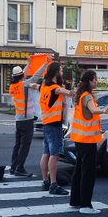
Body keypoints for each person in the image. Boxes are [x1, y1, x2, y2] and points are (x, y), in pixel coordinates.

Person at [68, 70, 108, 214]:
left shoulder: (81, 95)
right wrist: (104, 111)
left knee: (79, 170)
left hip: (80, 139)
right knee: (88, 173)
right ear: (90, 81)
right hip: (88, 140)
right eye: (95, 79)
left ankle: (75, 201)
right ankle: (86, 205)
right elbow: (93, 110)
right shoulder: (87, 97)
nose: (96, 82)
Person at [39, 61, 74, 195]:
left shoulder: (44, 86)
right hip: (54, 125)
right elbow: (64, 91)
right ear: (56, 72)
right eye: (60, 70)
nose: (61, 72)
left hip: (46, 123)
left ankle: (45, 182)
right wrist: (71, 92)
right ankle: (53, 184)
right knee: (55, 155)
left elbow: (33, 85)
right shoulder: (55, 88)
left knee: (46, 153)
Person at [9, 63, 46, 177]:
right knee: (25, 146)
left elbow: (22, 75)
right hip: (27, 120)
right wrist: (45, 63)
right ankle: (19, 168)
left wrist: (29, 64)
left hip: (18, 120)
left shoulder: (12, 86)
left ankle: (13, 167)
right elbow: (36, 76)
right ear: (22, 76)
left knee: (18, 144)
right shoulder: (24, 84)